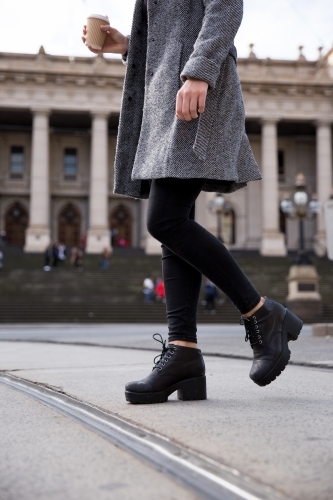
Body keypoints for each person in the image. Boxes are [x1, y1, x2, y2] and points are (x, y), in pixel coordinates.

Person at [82, 0, 303, 404]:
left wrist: (200, 71)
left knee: (164, 220)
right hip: (170, 97)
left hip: (194, 92)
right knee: (172, 224)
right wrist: (130, 46)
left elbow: (225, 5)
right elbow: (176, 32)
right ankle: (184, 352)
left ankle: (260, 312)